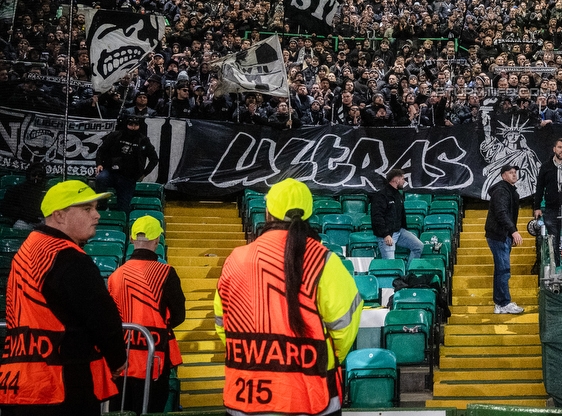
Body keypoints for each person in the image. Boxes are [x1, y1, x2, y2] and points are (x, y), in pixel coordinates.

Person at [214, 178, 362, 416]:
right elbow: (345, 326)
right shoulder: (324, 260)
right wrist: (324, 357)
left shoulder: (236, 259)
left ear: (268, 213)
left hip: (246, 393)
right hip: (311, 395)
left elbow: (223, 324)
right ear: (308, 215)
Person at [0, 180, 127, 415]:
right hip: (62, 382)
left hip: (19, 380)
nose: (97, 216)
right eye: (87, 209)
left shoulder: (27, 250)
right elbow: (102, 317)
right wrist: (118, 358)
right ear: (59, 216)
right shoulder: (68, 257)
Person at [107, 216, 186, 414]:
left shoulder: (116, 275)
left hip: (122, 359)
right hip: (155, 360)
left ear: (132, 239)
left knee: (121, 411)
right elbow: (179, 315)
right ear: (157, 240)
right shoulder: (165, 272)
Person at [94, 115, 159, 215]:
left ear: (139, 126)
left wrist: (144, 174)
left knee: (123, 210)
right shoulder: (115, 135)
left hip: (128, 178)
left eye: (136, 125)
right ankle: (102, 205)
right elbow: (101, 150)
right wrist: (99, 164)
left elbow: (154, 159)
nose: (133, 127)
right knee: (100, 178)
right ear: (126, 124)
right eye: (130, 124)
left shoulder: (143, 140)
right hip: (111, 172)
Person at [485, 163, 524, 314]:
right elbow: (501, 213)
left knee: (501, 270)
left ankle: (500, 303)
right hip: (498, 235)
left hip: (501, 235)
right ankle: (504, 302)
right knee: (504, 270)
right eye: (510, 172)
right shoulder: (502, 190)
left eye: (515, 172)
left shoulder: (507, 190)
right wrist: (513, 231)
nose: (514, 174)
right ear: (503, 175)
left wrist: (511, 233)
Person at [369, 168, 424, 263]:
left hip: (399, 232)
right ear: (396, 180)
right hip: (387, 235)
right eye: (402, 179)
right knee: (390, 264)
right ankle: (394, 277)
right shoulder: (381, 195)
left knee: (418, 246)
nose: (404, 181)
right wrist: (385, 234)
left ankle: (408, 275)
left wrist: (404, 229)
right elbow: (377, 217)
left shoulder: (399, 195)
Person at [0, 162, 47, 229]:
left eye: (39, 176)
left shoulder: (46, 191)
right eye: (34, 175)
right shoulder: (17, 189)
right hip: (23, 220)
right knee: (20, 226)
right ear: (29, 175)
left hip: (42, 220)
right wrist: (23, 214)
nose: (36, 178)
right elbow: (6, 207)